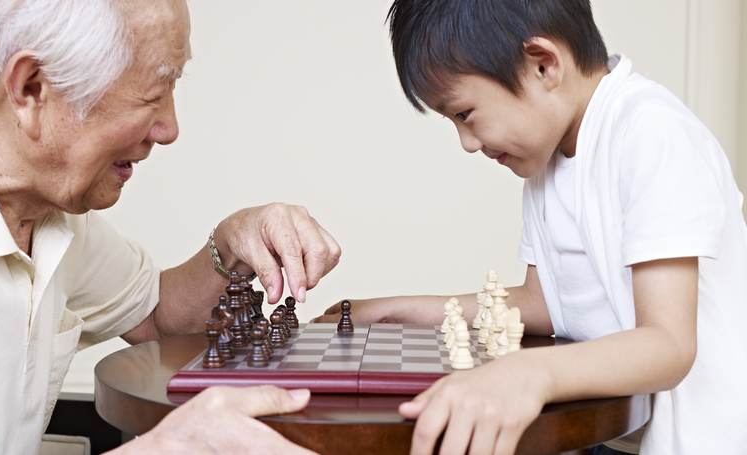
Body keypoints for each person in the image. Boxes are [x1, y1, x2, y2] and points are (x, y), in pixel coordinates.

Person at [315, 1, 747, 454]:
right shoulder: (550, 156)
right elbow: (542, 303)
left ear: (544, 65)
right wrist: (396, 311)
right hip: (615, 435)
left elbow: (669, 345)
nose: (466, 143)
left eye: (463, 114)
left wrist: (526, 373)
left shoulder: (653, 134)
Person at [0, 0, 339, 453]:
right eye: (154, 93)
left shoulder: (51, 213)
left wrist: (230, 244)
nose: (170, 128)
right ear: (33, 87)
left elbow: (154, 316)